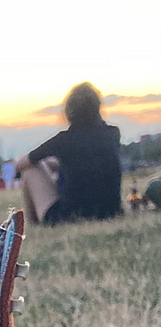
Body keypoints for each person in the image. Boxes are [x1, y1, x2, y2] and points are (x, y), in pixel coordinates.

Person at [16, 82, 122, 224]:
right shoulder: (113, 133)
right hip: (110, 212)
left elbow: (21, 164)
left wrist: (43, 163)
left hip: (69, 216)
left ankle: (32, 225)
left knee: (30, 170)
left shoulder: (63, 140)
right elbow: (88, 159)